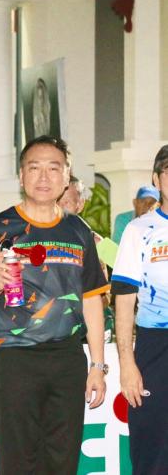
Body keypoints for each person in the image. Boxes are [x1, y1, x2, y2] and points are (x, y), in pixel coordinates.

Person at [0, 136, 108, 475]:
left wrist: (97, 366)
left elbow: (92, 300)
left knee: (63, 458)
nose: (44, 177)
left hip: (67, 359)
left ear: (66, 176)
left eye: (53, 168)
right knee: (18, 459)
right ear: (21, 175)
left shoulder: (78, 230)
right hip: (15, 359)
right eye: (34, 168)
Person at [111, 145, 168, 475]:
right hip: (154, 347)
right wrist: (127, 363)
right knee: (153, 449)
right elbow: (123, 301)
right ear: (156, 180)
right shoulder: (138, 230)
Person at [58, 175, 115, 342]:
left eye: (66, 202)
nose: (60, 207)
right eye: (56, 201)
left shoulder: (97, 241)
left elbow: (130, 266)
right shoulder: (40, 241)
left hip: (92, 326)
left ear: (80, 204)